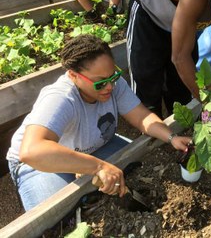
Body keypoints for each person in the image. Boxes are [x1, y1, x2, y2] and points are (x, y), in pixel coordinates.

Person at [6, 34, 192, 212]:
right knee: (58, 215)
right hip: (38, 164)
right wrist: (98, 167)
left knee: (140, 164)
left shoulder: (114, 85)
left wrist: (171, 137)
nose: (110, 86)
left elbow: (142, 117)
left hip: (94, 146)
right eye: (100, 83)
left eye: (113, 76)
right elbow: (32, 152)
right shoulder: (60, 98)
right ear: (73, 76)